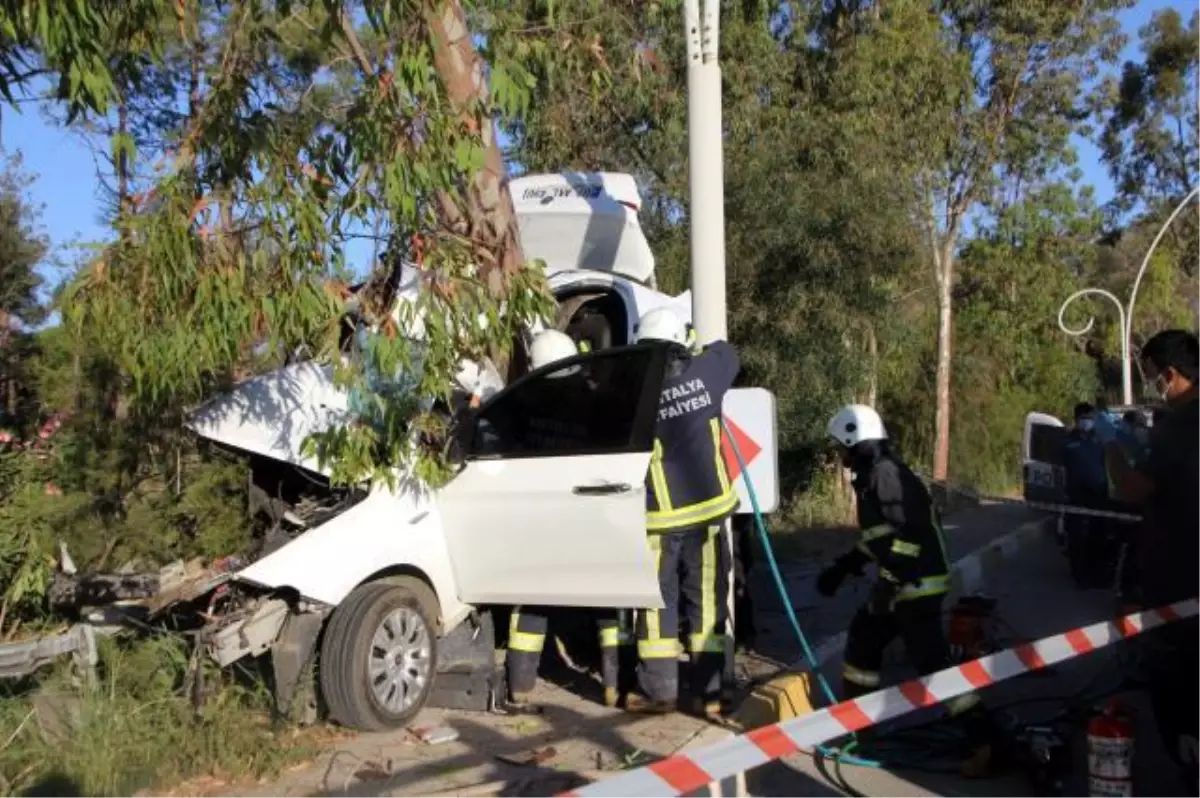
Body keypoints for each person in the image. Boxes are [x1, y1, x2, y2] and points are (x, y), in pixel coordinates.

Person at [817, 405, 983, 731]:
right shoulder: (872, 476)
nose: (839, 454)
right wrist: (843, 567)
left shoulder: (886, 475)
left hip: (919, 584)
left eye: (841, 446)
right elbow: (881, 539)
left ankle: (983, 736)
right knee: (864, 641)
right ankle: (861, 724)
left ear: (855, 440)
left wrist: (889, 582)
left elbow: (911, 537)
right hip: (903, 582)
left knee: (932, 665)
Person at [503, 329, 635, 710]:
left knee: (530, 601)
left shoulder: (520, 403)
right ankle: (614, 687)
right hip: (590, 514)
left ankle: (520, 687)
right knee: (608, 602)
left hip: (540, 519)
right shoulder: (591, 399)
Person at [628, 308, 741, 718]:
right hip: (709, 517)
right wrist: (699, 346)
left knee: (657, 607)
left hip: (658, 520)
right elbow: (728, 353)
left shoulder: (634, 394)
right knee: (707, 604)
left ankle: (658, 692)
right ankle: (712, 694)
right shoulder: (705, 376)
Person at [1105, 329, 1200, 797]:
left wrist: (1113, 450)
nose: (1153, 385)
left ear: (1170, 375)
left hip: (1182, 590)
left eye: (1152, 376)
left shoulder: (1181, 426)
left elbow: (1134, 489)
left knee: (1178, 688)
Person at [1062, 402, 1111, 587]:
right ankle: (1080, 576)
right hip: (1076, 495)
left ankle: (1098, 575)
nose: (1087, 422)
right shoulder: (1067, 442)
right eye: (1084, 418)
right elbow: (1059, 468)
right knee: (1077, 537)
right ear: (1077, 419)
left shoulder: (1100, 440)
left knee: (1098, 535)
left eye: (1090, 418)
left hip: (1099, 494)